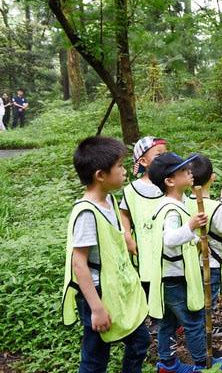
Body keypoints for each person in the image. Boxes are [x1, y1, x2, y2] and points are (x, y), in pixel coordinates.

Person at [61, 136, 150, 372]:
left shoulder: (109, 200)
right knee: (95, 357)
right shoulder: (87, 213)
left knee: (140, 340)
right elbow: (78, 262)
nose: (124, 171)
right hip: (97, 293)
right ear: (100, 175)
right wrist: (97, 308)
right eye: (120, 166)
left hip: (116, 287)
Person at [148, 152, 222, 372]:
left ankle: (167, 363)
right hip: (175, 277)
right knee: (192, 321)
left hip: (166, 276)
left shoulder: (170, 204)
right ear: (170, 181)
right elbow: (170, 239)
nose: (189, 172)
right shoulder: (171, 209)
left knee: (168, 322)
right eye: (183, 171)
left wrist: (192, 237)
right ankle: (204, 363)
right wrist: (191, 226)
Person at [187, 153, 222, 338]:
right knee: (208, 299)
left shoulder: (184, 202)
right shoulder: (216, 208)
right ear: (213, 177)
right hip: (212, 264)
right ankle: (203, 331)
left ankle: (195, 327)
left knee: (195, 296)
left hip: (191, 262)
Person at [120, 136, 168, 297]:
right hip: (144, 246)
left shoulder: (170, 183)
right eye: (158, 155)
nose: (164, 159)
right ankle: (155, 319)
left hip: (169, 245)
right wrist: (128, 237)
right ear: (144, 162)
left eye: (166, 154)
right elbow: (124, 214)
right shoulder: (132, 190)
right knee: (149, 285)